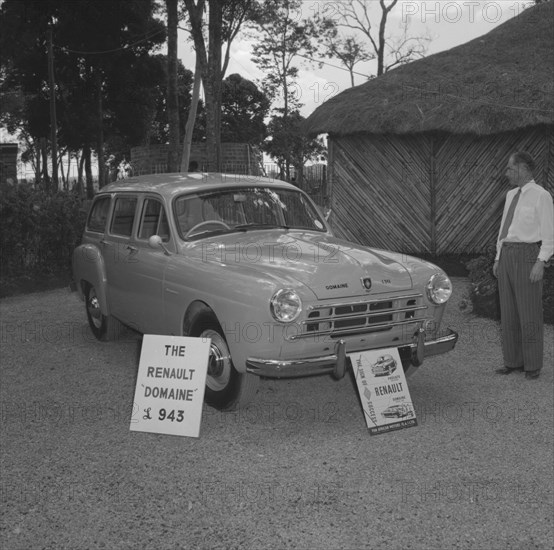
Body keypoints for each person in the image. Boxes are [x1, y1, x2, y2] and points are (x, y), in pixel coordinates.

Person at [493, 151, 554, 379]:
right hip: (507, 254)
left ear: (522, 168)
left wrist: (541, 262)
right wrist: (498, 258)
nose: (506, 172)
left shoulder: (541, 196)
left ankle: (532, 365)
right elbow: (504, 230)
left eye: (509, 168)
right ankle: (513, 361)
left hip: (528, 255)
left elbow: (550, 234)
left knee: (529, 312)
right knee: (508, 312)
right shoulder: (511, 195)